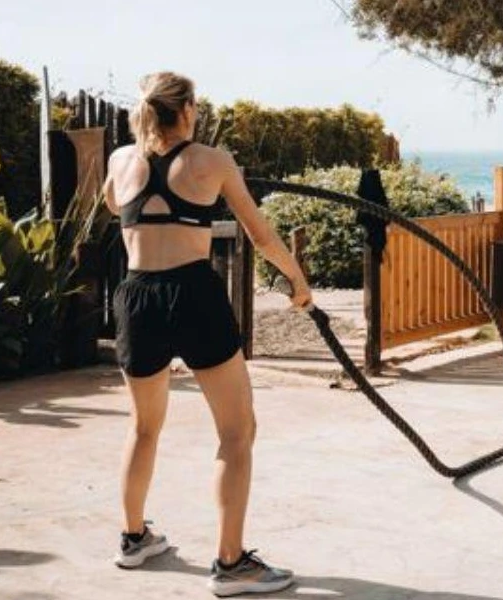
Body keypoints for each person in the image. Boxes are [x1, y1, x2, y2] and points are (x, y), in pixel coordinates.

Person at [101, 71, 312, 597]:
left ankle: (134, 539)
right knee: (237, 433)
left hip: (136, 296)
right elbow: (260, 234)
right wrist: (298, 280)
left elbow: (112, 204)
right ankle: (232, 563)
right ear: (189, 109)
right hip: (192, 295)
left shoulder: (121, 160)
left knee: (144, 427)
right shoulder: (212, 160)